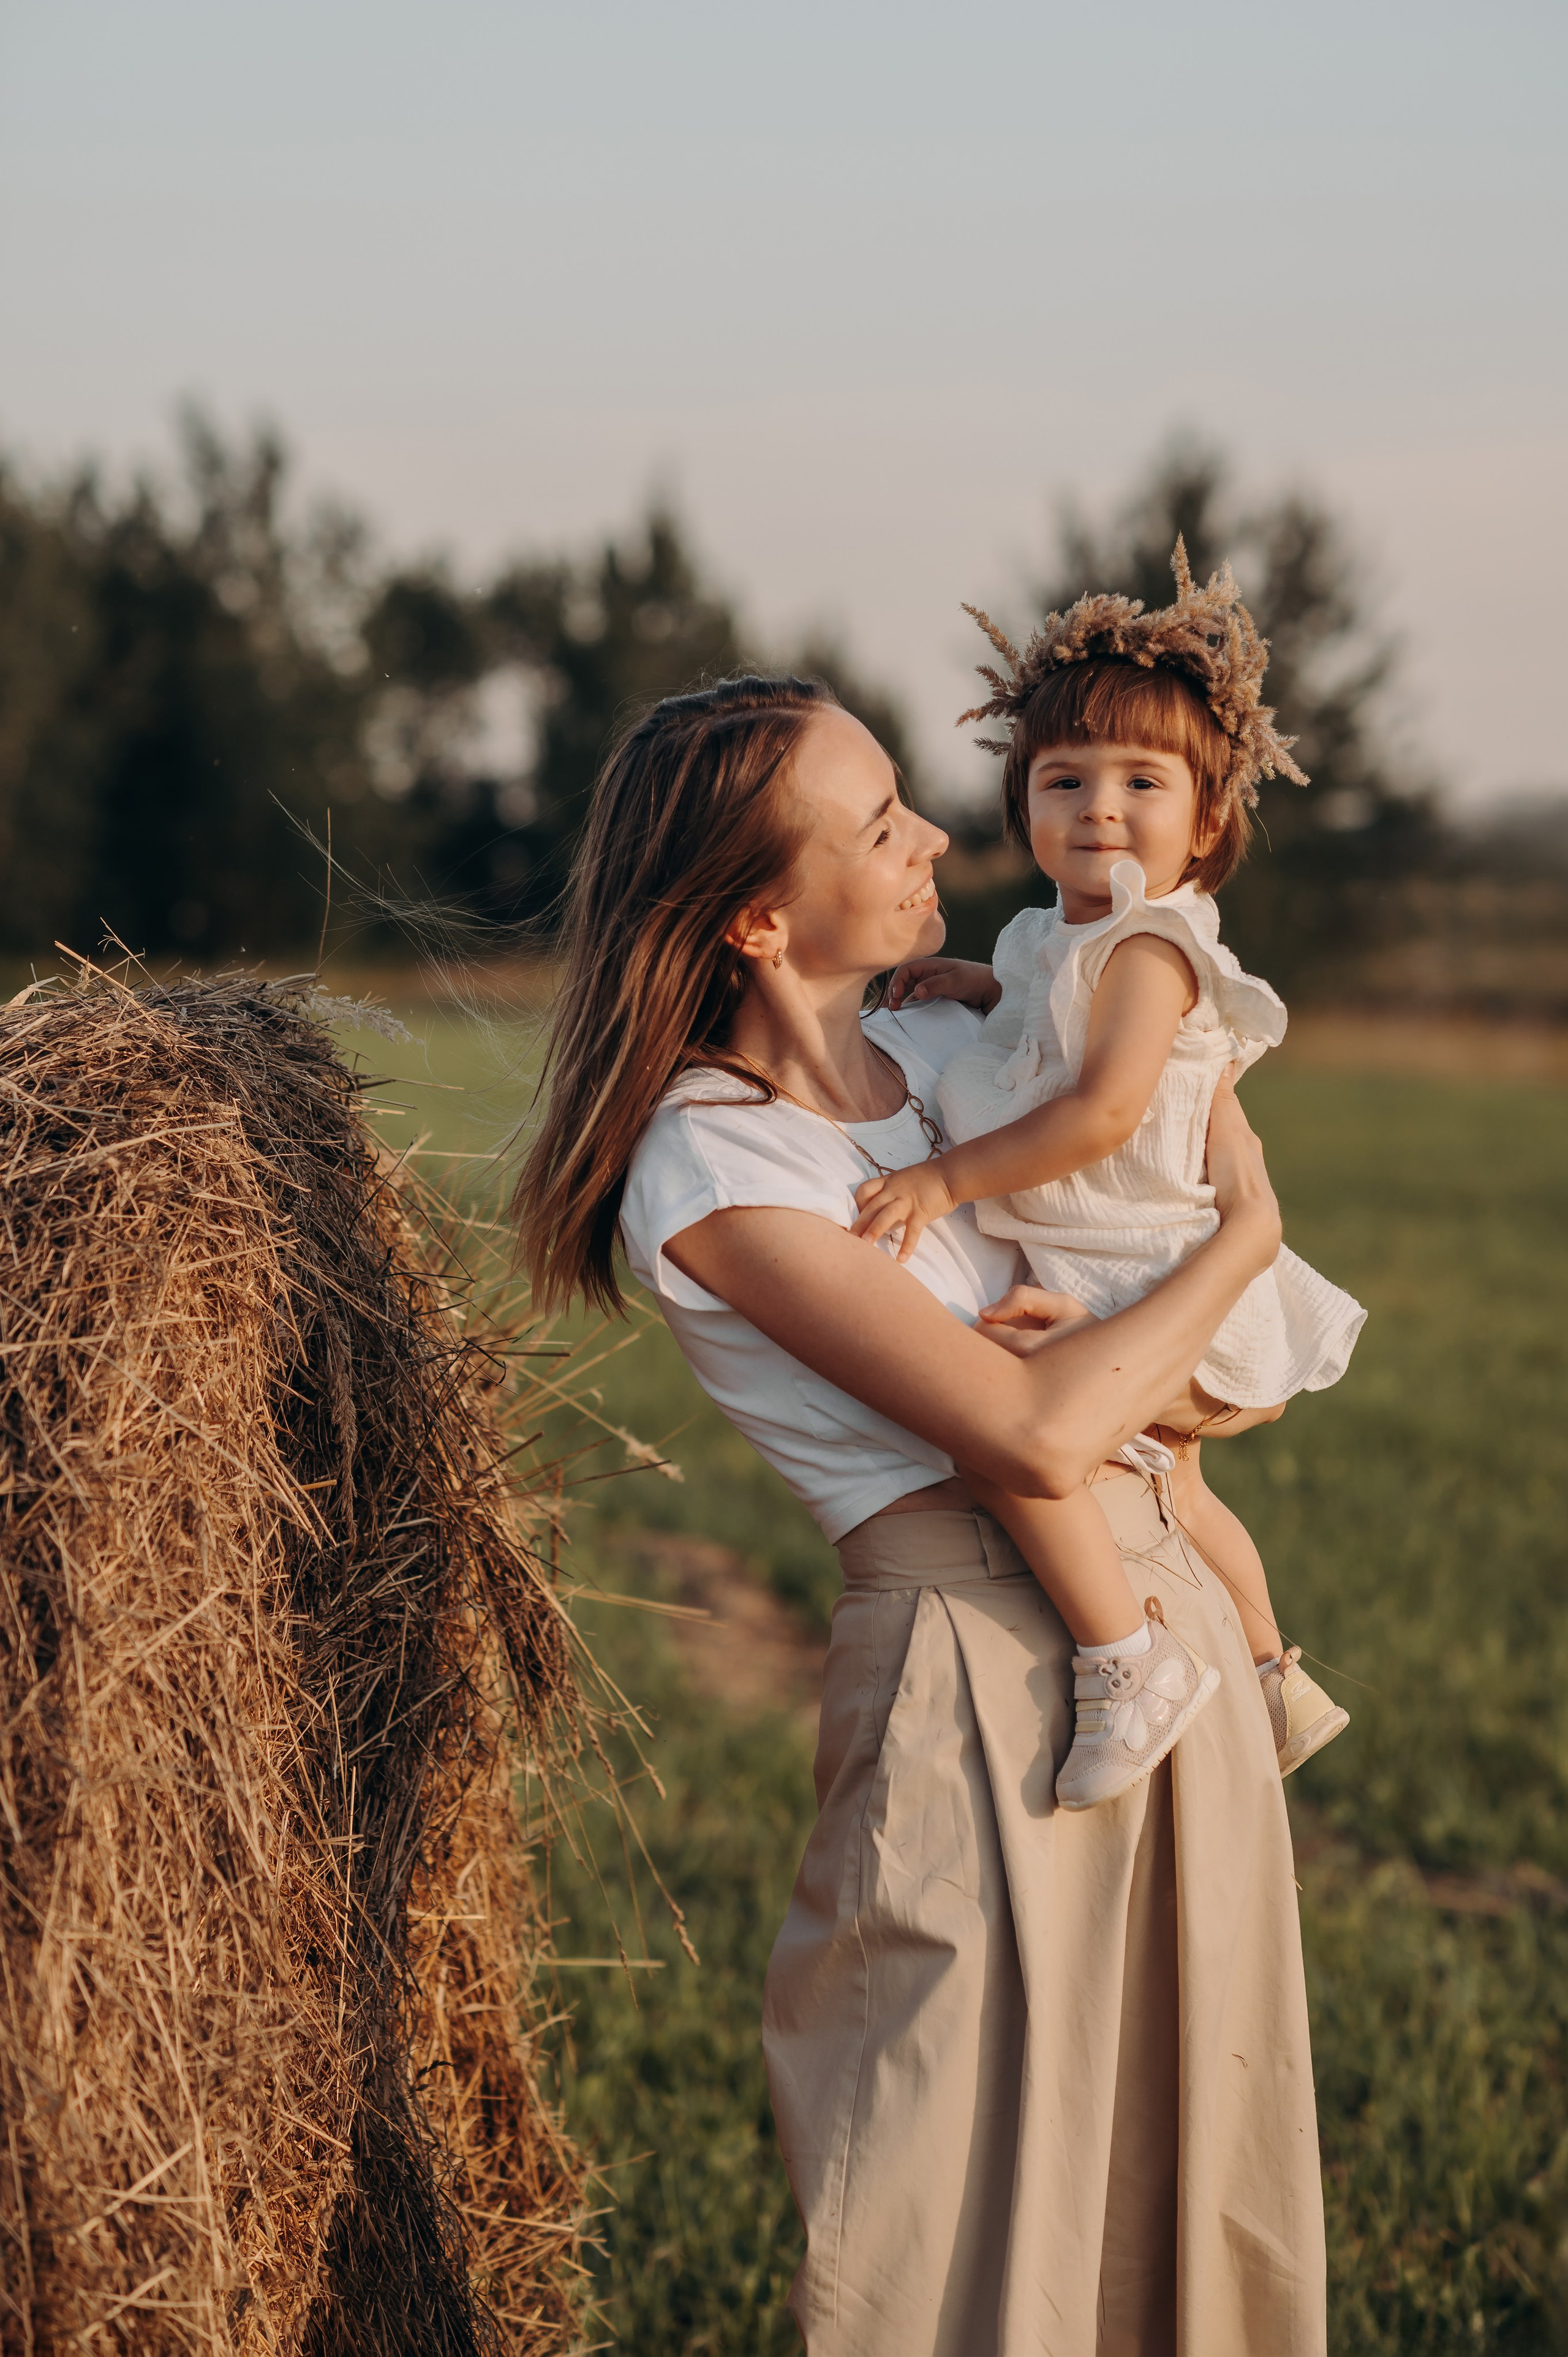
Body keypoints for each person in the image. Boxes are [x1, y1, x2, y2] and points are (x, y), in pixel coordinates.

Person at [516, 671, 1327, 2356]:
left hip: (1163, 1638)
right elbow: (1032, 1431)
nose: (935, 840)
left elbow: (1204, 1363)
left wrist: (1173, 1347)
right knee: (962, 2237)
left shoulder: (961, 1046)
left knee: (1187, 2189)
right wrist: (1247, 1243)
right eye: (879, 823)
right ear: (756, 919)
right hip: (982, 1693)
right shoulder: (719, 1170)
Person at [850, 543, 1363, 1806]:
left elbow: (1102, 1109)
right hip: (1109, 1255)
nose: (1098, 807)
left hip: (1148, 1269)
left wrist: (944, 1184)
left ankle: (1125, 1658)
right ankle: (1269, 1672)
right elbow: (1050, 1026)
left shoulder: (1148, 946)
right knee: (1175, 1483)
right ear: (1022, 800)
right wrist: (986, 987)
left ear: (1208, 820)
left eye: (1142, 781)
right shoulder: (1050, 937)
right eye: (1064, 778)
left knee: (1036, 1430)